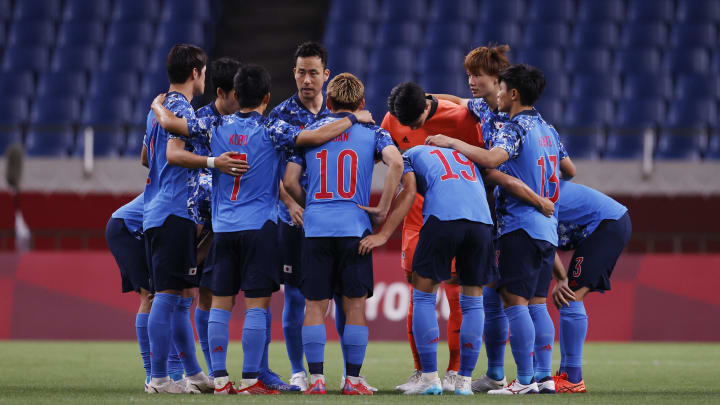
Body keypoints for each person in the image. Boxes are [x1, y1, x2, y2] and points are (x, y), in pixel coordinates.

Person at [152, 64, 377, 394]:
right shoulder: (274, 129)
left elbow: (170, 124)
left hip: (224, 228)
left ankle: (219, 380)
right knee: (257, 305)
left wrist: (157, 105)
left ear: (235, 95)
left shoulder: (212, 123)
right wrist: (354, 118)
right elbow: (314, 136)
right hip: (260, 227)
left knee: (220, 304)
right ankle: (250, 378)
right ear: (268, 98)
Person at [427, 64, 571, 395]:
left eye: (502, 89)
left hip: (519, 224)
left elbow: (492, 158)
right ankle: (543, 377)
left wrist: (452, 142)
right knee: (536, 303)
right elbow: (569, 168)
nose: (499, 95)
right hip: (547, 227)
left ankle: (522, 381)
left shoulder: (514, 127)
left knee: (514, 302)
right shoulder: (547, 129)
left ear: (514, 94)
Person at [283, 73, 403, 395]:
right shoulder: (374, 133)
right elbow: (396, 165)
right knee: (354, 308)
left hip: (316, 229)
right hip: (355, 229)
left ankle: (317, 380)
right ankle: (352, 380)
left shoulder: (311, 133)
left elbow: (291, 180)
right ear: (362, 104)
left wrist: (313, 206)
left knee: (313, 307)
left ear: (330, 103)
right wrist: (382, 208)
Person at [142, 44, 246, 394]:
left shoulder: (158, 108)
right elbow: (173, 155)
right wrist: (213, 163)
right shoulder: (181, 108)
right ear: (196, 73)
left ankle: (192, 373)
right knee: (169, 296)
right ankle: (158, 378)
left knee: (184, 293)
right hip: (173, 210)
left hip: (161, 207)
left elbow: (147, 156)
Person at [381, 81, 483, 392]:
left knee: (456, 295)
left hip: (448, 214)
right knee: (417, 295)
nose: (409, 129)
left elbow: (482, 162)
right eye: (405, 124)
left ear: (427, 106)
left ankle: (454, 372)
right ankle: (422, 372)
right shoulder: (392, 118)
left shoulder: (462, 118)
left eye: (415, 122)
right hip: (415, 220)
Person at [267, 41, 331, 391]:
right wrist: (291, 204)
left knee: (324, 299)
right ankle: (297, 369)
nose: (307, 80)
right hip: (290, 221)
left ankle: (323, 369)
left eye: (313, 73)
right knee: (293, 297)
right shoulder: (279, 116)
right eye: (301, 72)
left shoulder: (337, 115)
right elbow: (267, 172)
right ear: (293, 73)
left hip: (330, 222)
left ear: (326, 75)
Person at [551, 180, 631, 393]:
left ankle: (573, 378)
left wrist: (560, 279)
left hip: (608, 224)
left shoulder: (525, 193)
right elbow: (570, 169)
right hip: (608, 223)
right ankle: (566, 375)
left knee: (570, 296)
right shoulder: (538, 179)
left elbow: (541, 240)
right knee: (568, 298)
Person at [191, 56, 242, 386]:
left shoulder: (242, 121)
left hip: (237, 221)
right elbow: (195, 171)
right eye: (237, 92)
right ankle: (212, 370)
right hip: (208, 222)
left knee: (229, 296)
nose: (242, 97)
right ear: (222, 92)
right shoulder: (199, 122)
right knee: (207, 295)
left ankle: (217, 369)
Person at [105, 193, 153, 391]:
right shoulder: (199, 181)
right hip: (126, 229)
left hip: (131, 227)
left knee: (163, 296)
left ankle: (163, 373)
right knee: (151, 296)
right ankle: (153, 375)